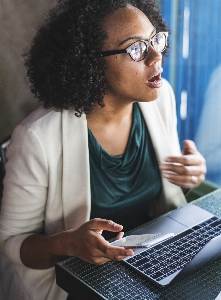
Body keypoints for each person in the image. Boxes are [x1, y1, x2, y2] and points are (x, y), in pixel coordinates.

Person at [0, 0, 206, 299]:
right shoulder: (36, 138)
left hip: (144, 267)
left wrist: (188, 176)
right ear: (90, 64)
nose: (156, 55)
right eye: (136, 48)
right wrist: (68, 245)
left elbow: (160, 203)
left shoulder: (161, 99)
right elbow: (11, 244)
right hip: (71, 286)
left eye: (155, 39)